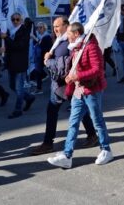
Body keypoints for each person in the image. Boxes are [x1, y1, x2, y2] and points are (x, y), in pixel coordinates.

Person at [47, 22, 113, 169]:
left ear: (76, 34)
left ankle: (106, 149)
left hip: (91, 90)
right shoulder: (75, 47)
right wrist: (70, 76)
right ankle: (67, 155)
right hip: (78, 90)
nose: (66, 37)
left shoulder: (90, 46)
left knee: (97, 120)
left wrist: (77, 76)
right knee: (73, 122)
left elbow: (97, 70)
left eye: (68, 34)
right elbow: (74, 67)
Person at [31, 16, 97, 156]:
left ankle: (50, 144)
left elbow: (64, 66)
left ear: (67, 26)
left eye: (57, 26)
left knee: (77, 110)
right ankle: (91, 135)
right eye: (53, 26)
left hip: (66, 84)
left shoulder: (69, 42)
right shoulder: (59, 40)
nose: (55, 29)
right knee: (64, 111)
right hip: (58, 85)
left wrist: (48, 61)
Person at [2, 13, 36, 119]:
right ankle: (29, 97)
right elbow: (10, 46)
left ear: (21, 20)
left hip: (20, 63)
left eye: (17, 19)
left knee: (18, 87)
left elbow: (19, 46)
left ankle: (18, 109)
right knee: (12, 86)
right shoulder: (11, 30)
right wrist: (4, 49)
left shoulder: (24, 31)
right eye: (13, 19)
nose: (15, 21)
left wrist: (7, 38)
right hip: (11, 63)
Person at [32, 22, 53, 93]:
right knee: (38, 72)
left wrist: (36, 41)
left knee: (51, 72)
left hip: (46, 57)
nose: (39, 29)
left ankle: (55, 86)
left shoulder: (47, 36)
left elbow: (46, 47)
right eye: (37, 28)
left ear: (44, 28)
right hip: (38, 57)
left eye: (40, 27)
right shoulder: (38, 36)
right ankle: (39, 88)